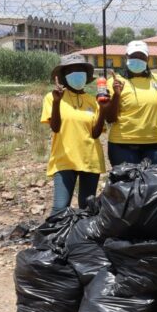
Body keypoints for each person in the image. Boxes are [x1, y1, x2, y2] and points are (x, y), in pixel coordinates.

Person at [41, 54, 107, 214]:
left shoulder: (93, 100)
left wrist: (103, 109)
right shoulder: (52, 98)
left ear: (87, 75)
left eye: (81, 70)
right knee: (60, 208)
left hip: (90, 159)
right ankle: (55, 238)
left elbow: (96, 133)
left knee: (87, 208)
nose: (77, 74)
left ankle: (82, 239)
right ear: (64, 76)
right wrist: (57, 103)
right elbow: (55, 128)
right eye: (71, 71)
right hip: (64, 159)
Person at [106, 40, 157, 166]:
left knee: (151, 185)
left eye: (141, 57)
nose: (137, 60)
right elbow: (110, 118)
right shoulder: (116, 81)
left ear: (148, 59)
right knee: (126, 184)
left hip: (154, 144)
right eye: (133, 56)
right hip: (122, 144)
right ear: (126, 57)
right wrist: (117, 95)